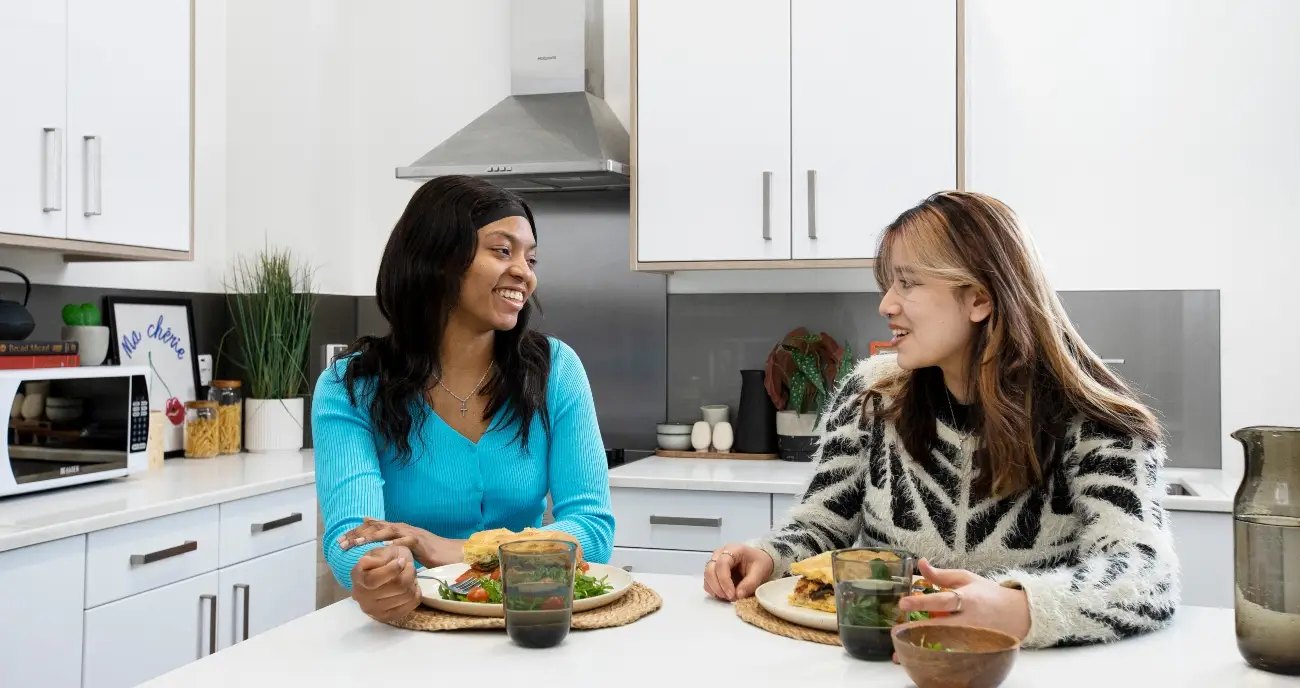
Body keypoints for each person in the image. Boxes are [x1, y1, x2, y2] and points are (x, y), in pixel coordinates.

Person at [703, 192, 1179, 648]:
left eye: (907, 283)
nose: (886, 304)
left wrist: (1014, 608)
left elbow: (1146, 576)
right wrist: (770, 554)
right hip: (885, 663)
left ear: (979, 299)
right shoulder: (871, 395)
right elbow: (822, 524)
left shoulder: (1096, 420)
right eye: (889, 284)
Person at [314, 175, 614, 622]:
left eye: (530, 258)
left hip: (527, 614)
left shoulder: (555, 370)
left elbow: (591, 525)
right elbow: (354, 533)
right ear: (438, 258)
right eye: (501, 251)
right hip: (410, 623)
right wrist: (379, 573)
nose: (524, 273)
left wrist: (456, 552)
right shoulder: (351, 385)